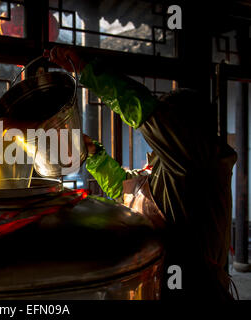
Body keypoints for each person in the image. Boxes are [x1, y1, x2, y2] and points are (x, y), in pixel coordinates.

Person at [49, 46, 238, 300]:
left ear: (185, 128)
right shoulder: (168, 165)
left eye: (167, 121)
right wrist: (94, 154)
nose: (154, 130)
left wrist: (88, 72)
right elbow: (126, 190)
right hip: (159, 283)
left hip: (195, 288)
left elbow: (146, 111)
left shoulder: (199, 160)